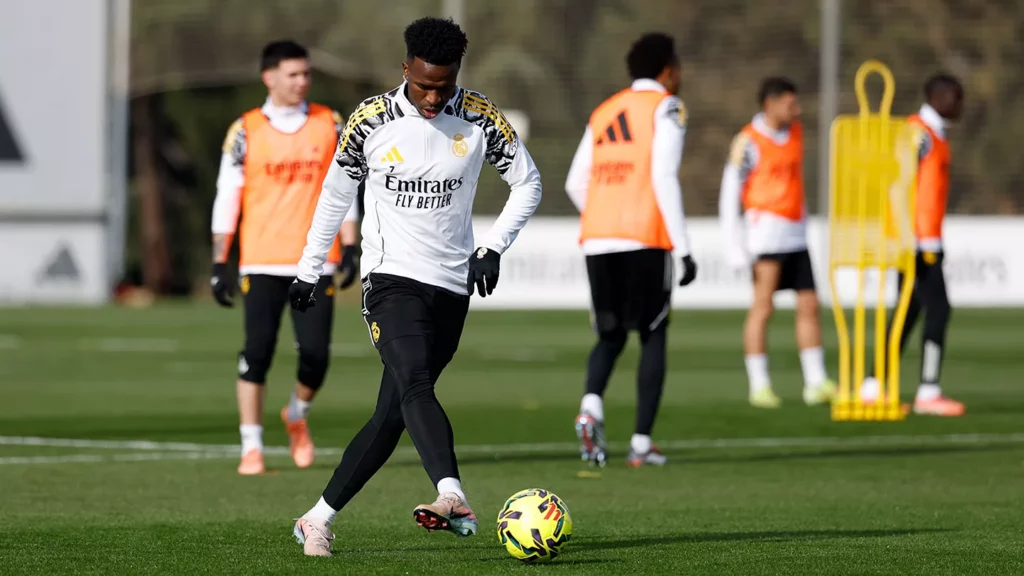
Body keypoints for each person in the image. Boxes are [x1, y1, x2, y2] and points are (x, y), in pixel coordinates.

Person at [286, 17, 542, 557]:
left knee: (393, 412)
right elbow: (335, 195)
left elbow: (528, 182)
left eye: (443, 86)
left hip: (451, 286)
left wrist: (493, 247)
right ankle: (452, 493)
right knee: (417, 381)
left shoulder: (479, 118)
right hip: (389, 279)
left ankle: (316, 519)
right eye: (424, 84)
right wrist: (310, 268)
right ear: (405, 69)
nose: (432, 97)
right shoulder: (371, 120)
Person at [210, 40, 360, 476]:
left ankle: (296, 413)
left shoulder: (329, 123)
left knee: (315, 356)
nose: (302, 82)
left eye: (306, 74)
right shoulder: (245, 129)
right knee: (256, 352)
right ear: (269, 77)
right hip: (260, 260)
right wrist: (220, 262)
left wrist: (350, 245)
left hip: (315, 262)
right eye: (293, 74)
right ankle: (251, 446)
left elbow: (345, 188)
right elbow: (227, 198)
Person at [565, 33, 697, 468]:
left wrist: (606, 215)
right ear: (667, 69)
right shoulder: (668, 107)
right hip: (644, 236)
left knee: (609, 333)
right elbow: (664, 177)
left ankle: (591, 404)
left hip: (599, 238)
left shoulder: (604, 110)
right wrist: (683, 246)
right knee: (654, 331)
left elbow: (574, 181)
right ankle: (641, 442)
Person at [718, 77, 836, 409]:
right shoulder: (748, 142)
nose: (795, 110)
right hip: (765, 237)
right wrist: (734, 246)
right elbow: (729, 193)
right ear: (769, 104)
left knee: (810, 306)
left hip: (796, 236)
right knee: (763, 308)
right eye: (789, 103)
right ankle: (760, 385)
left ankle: (815, 382)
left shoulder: (796, 133)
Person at [861, 74, 965, 416]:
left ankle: (874, 384)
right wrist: (906, 235)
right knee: (939, 309)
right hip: (917, 242)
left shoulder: (934, 134)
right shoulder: (919, 133)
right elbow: (896, 182)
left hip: (924, 237)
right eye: (956, 98)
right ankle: (928, 389)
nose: (960, 105)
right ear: (939, 97)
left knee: (908, 312)